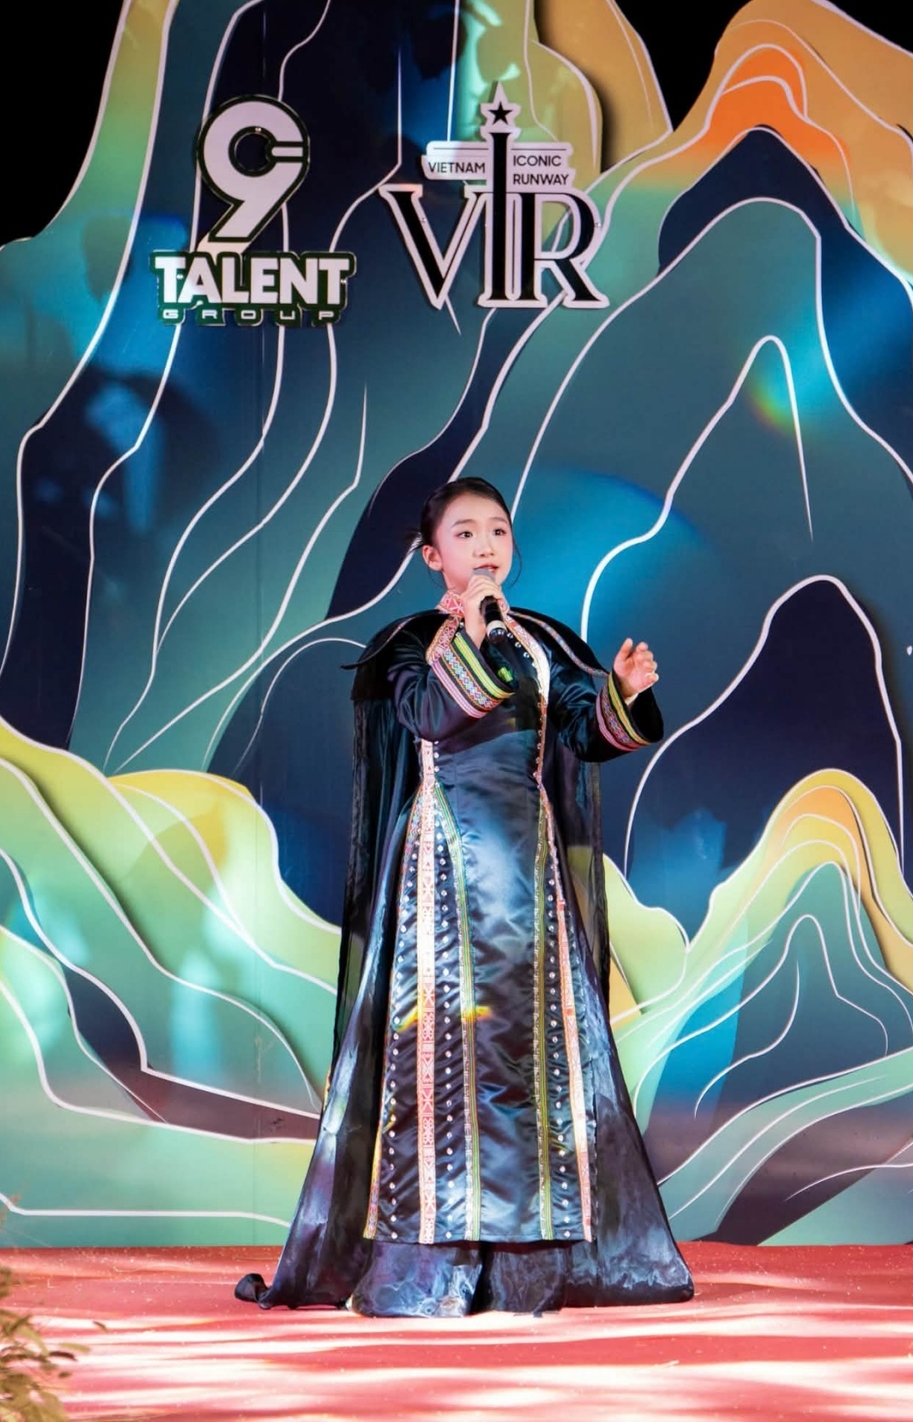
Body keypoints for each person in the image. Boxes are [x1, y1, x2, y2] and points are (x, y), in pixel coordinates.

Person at [236, 477, 693, 1317]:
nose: (485, 545)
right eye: (466, 532)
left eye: (498, 531)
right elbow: (428, 714)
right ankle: (432, 1265)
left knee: (529, 1054)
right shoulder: (412, 647)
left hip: (528, 872)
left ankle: (523, 1269)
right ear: (431, 554)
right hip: (444, 872)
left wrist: (622, 693)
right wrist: (475, 632)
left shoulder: (542, 646)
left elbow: (583, 730)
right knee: (442, 1051)